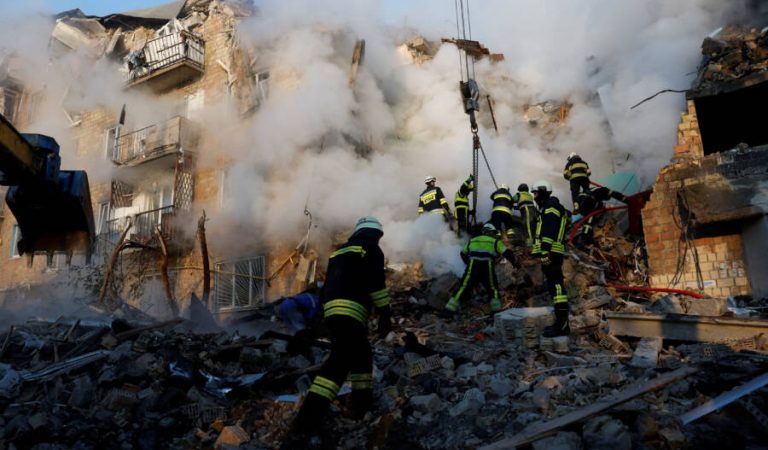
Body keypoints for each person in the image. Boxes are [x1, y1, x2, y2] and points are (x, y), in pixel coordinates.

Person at [290, 216, 392, 435]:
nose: (378, 240)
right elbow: (376, 284)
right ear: (374, 234)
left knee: (363, 355)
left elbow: (328, 286)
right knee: (338, 363)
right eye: (378, 236)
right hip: (352, 311)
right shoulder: (371, 250)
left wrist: (319, 319)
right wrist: (385, 314)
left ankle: (360, 406)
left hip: (332, 312)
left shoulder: (339, 252)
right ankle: (306, 421)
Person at [445, 223, 517, 314]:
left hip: (472, 266)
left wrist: (468, 263)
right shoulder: (495, 242)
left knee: (463, 287)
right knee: (492, 288)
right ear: (491, 232)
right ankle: (496, 311)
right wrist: (515, 264)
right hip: (487, 267)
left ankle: (448, 310)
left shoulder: (473, 240)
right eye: (493, 233)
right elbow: (507, 253)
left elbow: (463, 253)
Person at [531, 180, 570, 337]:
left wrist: (544, 251)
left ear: (543, 191)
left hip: (552, 253)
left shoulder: (551, 207)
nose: (534, 197)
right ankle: (561, 324)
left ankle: (562, 326)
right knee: (555, 288)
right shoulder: (550, 207)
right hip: (553, 252)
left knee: (557, 288)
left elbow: (549, 230)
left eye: (535, 193)